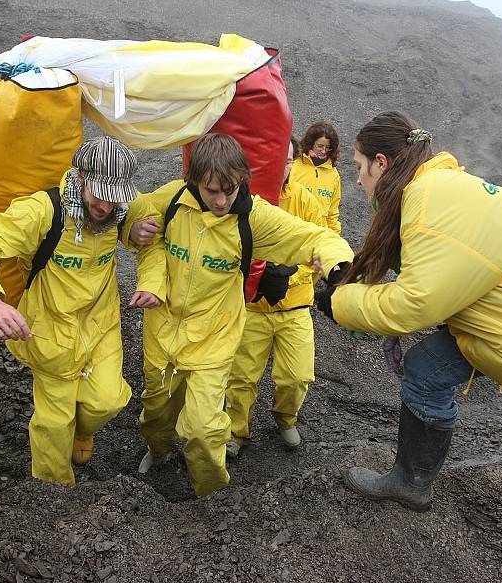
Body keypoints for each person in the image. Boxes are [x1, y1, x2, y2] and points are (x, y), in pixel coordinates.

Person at [320, 111, 502, 581]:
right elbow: (435, 270)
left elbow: (414, 303)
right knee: (428, 367)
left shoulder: (429, 196)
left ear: (381, 161)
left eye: (358, 166)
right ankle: (412, 482)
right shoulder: (441, 188)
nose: (356, 179)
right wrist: (346, 279)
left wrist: (338, 303)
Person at [135, 133, 354, 497]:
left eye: (231, 190)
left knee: (203, 430)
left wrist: (337, 263)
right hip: (161, 333)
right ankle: (157, 452)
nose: (222, 201)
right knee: (156, 414)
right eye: (211, 191)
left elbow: (315, 236)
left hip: (214, 338)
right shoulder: (172, 199)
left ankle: (210, 492)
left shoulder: (254, 219)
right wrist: (136, 231)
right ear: (194, 183)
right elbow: (135, 220)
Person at [0, 136, 166, 486]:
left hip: (101, 325)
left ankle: (83, 431)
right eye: (100, 191)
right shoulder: (42, 211)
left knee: (108, 401)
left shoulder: (124, 206)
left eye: (116, 194)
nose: (107, 203)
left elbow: (152, 240)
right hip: (49, 329)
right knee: (54, 423)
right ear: (80, 176)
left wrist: (146, 267)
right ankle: (54, 492)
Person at [224, 137, 326, 457]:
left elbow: (320, 251)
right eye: (277, 158)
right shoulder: (244, 201)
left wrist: (288, 274)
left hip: (294, 305)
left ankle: (285, 418)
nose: (282, 166)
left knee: (297, 376)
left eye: (288, 160)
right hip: (252, 307)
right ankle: (235, 432)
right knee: (241, 376)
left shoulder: (307, 203)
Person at [289, 121, 342, 233]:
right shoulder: (293, 165)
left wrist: (335, 236)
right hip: (293, 232)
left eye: (328, 147)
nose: (323, 151)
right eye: (320, 146)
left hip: (319, 235)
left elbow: (332, 213)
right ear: (310, 143)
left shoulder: (333, 174)